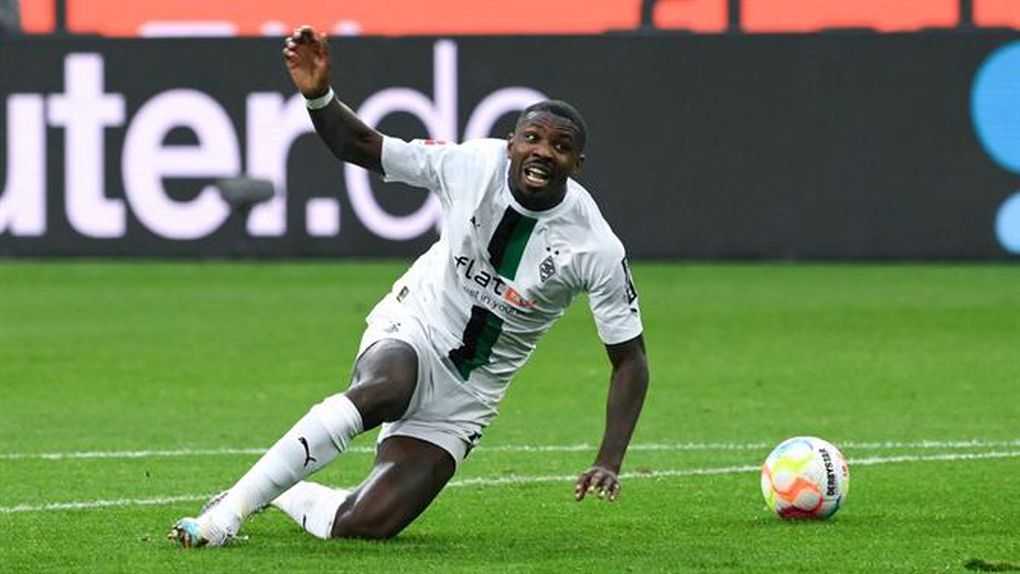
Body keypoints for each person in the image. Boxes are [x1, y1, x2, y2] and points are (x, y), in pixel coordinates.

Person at [169, 25, 649, 547]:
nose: (543, 152)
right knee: (387, 390)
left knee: (364, 524)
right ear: (511, 144)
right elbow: (361, 145)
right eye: (531, 138)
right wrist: (318, 94)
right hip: (416, 324)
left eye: (561, 146)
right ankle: (227, 514)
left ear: (578, 165)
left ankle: (282, 489)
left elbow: (630, 361)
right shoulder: (471, 164)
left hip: (470, 392)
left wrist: (609, 460)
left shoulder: (595, 247)